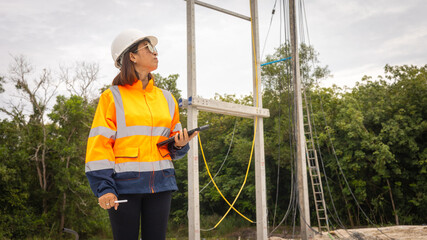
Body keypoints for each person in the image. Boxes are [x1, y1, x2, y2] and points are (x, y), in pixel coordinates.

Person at [85, 29, 198, 240]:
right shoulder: (112, 97)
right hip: (124, 187)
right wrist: (104, 188)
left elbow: (171, 145)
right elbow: (99, 146)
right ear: (132, 56)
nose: (156, 53)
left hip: (162, 185)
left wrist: (180, 144)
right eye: (149, 48)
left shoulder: (167, 98)